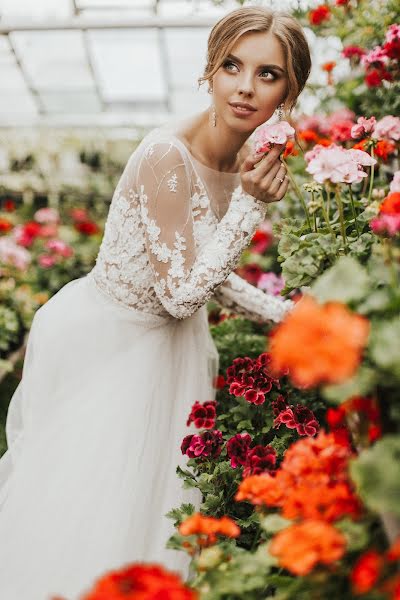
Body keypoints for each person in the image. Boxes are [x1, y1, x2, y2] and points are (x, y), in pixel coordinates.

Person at [0, 6, 311, 599]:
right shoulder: (166, 157)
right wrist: (248, 208)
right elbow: (180, 293)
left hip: (174, 346)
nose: (245, 87)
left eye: (268, 75)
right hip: (113, 346)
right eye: (231, 66)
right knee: (95, 511)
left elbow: (206, 273)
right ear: (209, 72)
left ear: (289, 91)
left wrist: (293, 318)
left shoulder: (244, 157)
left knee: (159, 509)